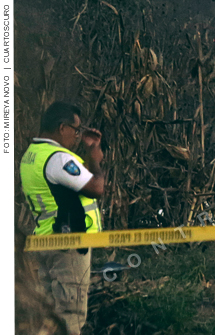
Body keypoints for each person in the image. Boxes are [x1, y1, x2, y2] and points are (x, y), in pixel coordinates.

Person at [20, 102, 105, 335]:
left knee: (48, 320)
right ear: (61, 128)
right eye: (75, 130)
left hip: (46, 242)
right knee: (70, 318)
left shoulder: (32, 156)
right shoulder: (58, 158)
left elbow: (68, 185)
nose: (77, 137)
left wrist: (87, 153)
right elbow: (96, 187)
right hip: (68, 246)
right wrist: (95, 159)